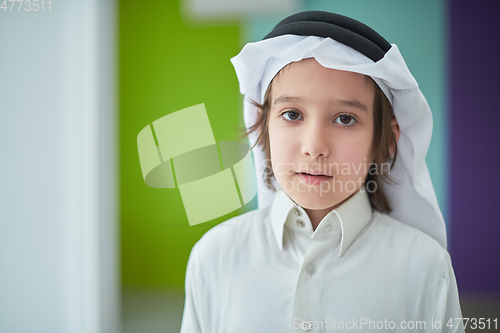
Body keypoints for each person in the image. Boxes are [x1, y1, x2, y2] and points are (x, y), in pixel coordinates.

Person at [180, 10, 465, 333]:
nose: (315, 146)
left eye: (345, 118)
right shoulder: (215, 256)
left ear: (386, 141)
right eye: (292, 114)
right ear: (264, 126)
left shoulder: (427, 268)